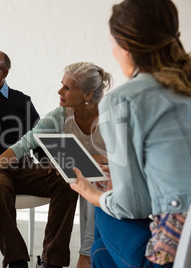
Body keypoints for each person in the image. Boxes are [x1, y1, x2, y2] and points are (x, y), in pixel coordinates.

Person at [69, 0, 191, 267]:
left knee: (102, 210)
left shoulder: (123, 100)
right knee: (102, 248)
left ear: (125, 46)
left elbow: (132, 206)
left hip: (171, 256)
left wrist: (90, 193)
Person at [0, 61, 113, 268]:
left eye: (67, 87)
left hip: (101, 181)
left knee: (67, 180)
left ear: (87, 95)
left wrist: (91, 160)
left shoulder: (111, 118)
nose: (60, 90)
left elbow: (126, 158)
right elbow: (23, 145)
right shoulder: (59, 115)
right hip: (4, 167)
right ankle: (16, 261)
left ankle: (52, 261)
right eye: (61, 84)